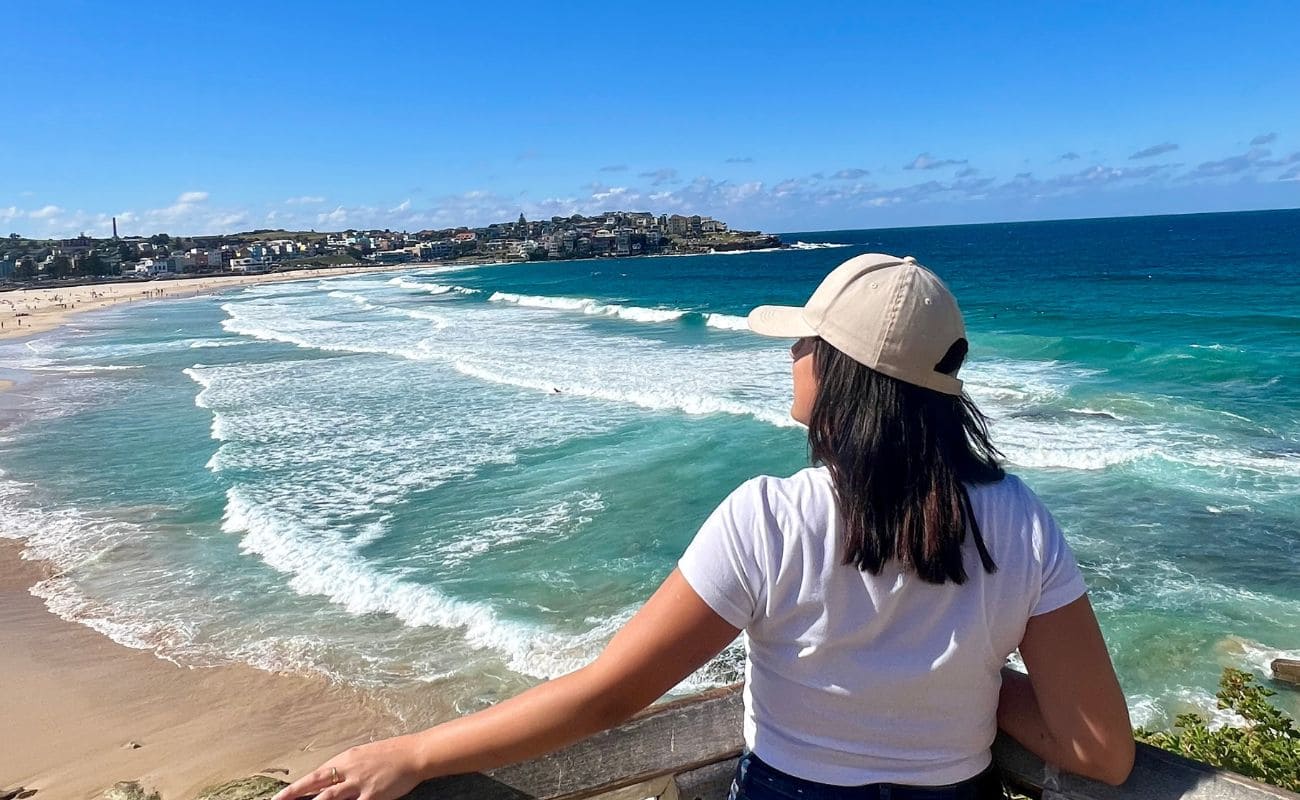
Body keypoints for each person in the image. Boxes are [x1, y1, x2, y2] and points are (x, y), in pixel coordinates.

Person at [274, 253, 1134, 800]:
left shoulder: (770, 516)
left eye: (805, 343)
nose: (789, 355)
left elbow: (609, 695)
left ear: (840, 375)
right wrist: (969, 683)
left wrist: (417, 754)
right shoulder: (1018, 520)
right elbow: (1102, 752)